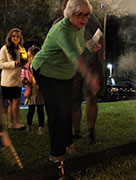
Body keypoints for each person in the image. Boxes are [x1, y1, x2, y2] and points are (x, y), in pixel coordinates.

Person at [32, 0, 99, 163]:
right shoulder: (62, 30)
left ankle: (68, 143)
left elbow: (78, 44)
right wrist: (90, 77)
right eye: (79, 15)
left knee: (68, 109)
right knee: (57, 112)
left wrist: (90, 44)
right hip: (47, 71)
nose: (84, 19)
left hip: (65, 74)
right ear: (69, 14)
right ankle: (57, 153)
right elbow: (75, 57)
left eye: (86, 15)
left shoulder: (78, 27)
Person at [55, 0, 104, 143]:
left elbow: (99, 35)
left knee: (91, 97)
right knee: (73, 101)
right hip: (71, 68)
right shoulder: (58, 24)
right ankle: (76, 131)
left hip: (91, 64)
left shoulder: (89, 18)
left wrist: (99, 58)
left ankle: (91, 131)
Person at [0, 28, 26, 130]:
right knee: (15, 101)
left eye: (18, 36)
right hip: (8, 80)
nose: (16, 38)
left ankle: (11, 123)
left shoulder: (21, 49)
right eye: (14, 36)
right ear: (10, 37)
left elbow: (25, 61)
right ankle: (17, 123)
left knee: (14, 102)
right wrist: (14, 63)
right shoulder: (4, 49)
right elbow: (1, 64)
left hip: (18, 79)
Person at [21, 46, 45, 135]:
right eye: (29, 57)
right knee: (30, 110)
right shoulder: (26, 67)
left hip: (39, 91)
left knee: (40, 110)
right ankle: (29, 126)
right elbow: (23, 77)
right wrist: (24, 81)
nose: (29, 58)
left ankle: (41, 127)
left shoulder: (41, 66)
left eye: (30, 56)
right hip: (31, 91)